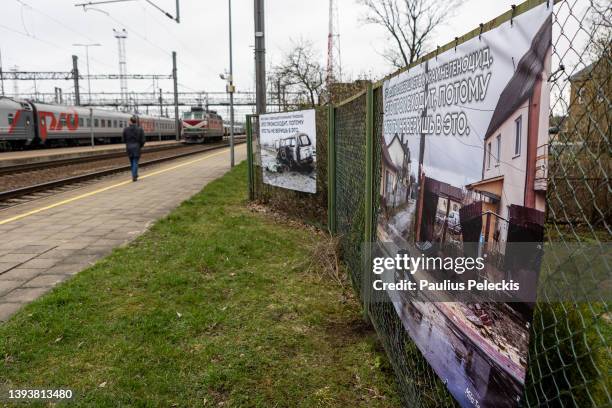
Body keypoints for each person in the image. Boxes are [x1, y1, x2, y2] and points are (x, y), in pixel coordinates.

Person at [123, 115, 145, 181]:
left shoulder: (125, 129)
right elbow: (143, 140)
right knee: (135, 161)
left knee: (132, 162)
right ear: (136, 122)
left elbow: (123, 139)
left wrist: (127, 144)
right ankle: (134, 175)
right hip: (137, 147)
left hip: (129, 148)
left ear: (130, 122)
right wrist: (140, 146)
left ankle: (134, 174)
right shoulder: (140, 129)